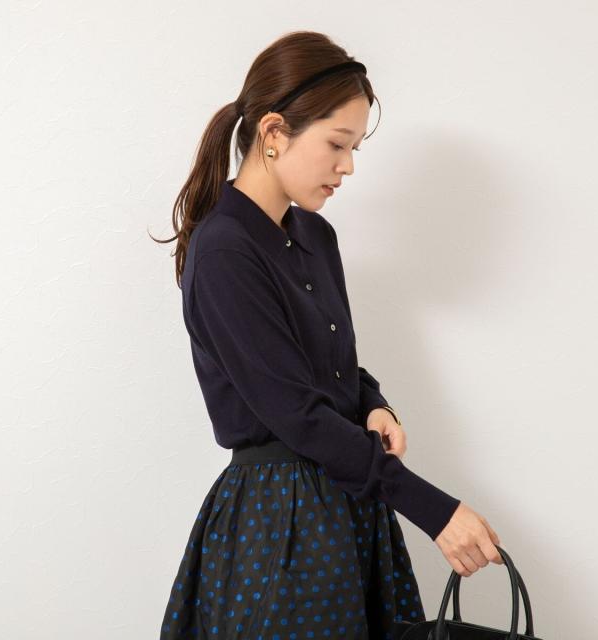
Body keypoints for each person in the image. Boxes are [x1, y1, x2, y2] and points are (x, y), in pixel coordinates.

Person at [153, 30, 503, 639]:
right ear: (273, 133)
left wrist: (373, 404)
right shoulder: (225, 250)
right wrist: (436, 512)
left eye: (355, 148)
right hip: (280, 523)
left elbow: (334, 369)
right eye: (336, 144)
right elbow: (297, 414)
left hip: (351, 505)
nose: (347, 166)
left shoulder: (316, 236)